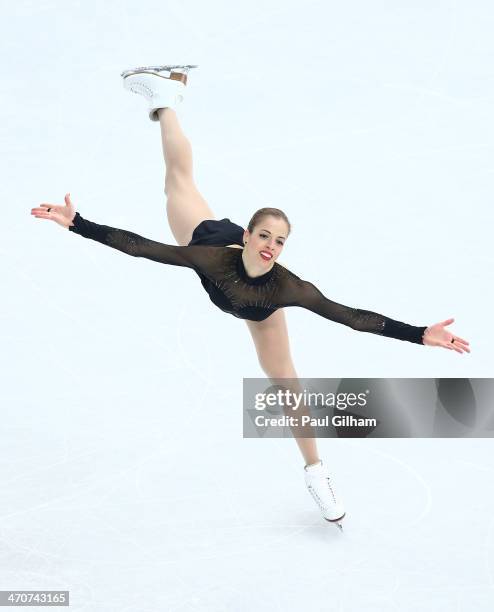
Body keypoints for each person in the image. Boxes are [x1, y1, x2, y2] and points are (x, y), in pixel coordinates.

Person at [30, 65, 471, 528]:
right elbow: (140, 247)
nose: (270, 245)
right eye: (264, 235)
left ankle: (316, 472)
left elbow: (352, 316)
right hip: (208, 242)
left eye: (279, 242)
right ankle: (165, 98)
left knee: (285, 382)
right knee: (177, 179)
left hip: (258, 307)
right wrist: (78, 224)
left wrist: (420, 334)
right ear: (248, 234)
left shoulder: (287, 287)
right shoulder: (210, 257)